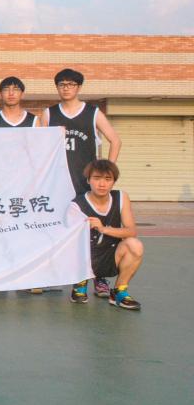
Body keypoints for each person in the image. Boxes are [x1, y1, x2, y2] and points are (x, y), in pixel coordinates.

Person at [69, 160, 143, 310]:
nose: (102, 184)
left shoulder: (121, 197)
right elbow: (68, 241)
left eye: (108, 179)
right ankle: (80, 282)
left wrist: (103, 229)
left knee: (135, 245)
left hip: (110, 256)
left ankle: (119, 292)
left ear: (114, 182)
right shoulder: (76, 205)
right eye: (97, 178)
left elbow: (131, 231)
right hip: (84, 260)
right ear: (88, 180)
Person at [43, 68, 121, 198]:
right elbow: (41, 146)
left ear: (79, 87)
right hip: (57, 177)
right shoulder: (49, 114)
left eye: (71, 84)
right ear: (57, 87)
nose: (66, 88)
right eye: (62, 84)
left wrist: (108, 170)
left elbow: (115, 141)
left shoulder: (93, 113)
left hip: (85, 177)